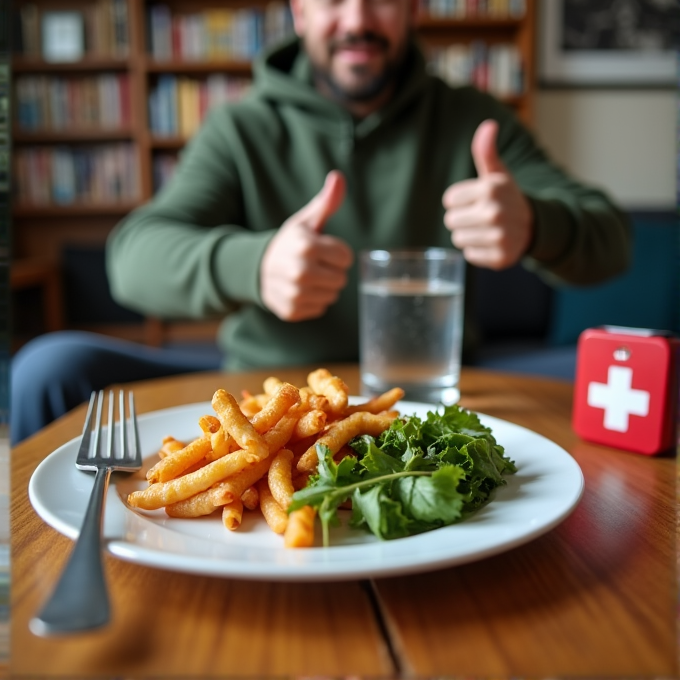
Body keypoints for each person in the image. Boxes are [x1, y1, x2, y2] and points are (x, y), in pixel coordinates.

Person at [11, 0, 630, 444]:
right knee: (49, 366)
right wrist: (255, 265)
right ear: (298, 11)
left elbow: (611, 239)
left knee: (638, 378)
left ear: (414, 8)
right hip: (264, 395)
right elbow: (134, 255)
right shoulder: (240, 128)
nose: (356, 18)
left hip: (434, 393)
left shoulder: (474, 119)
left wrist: (534, 224)